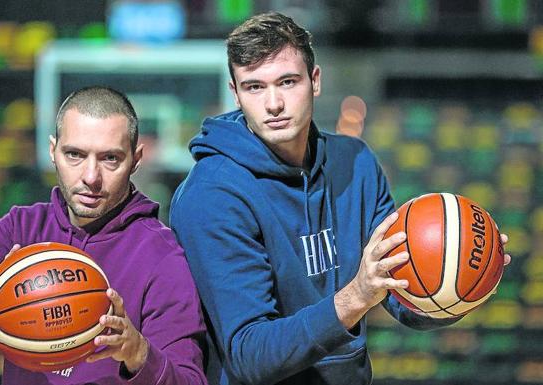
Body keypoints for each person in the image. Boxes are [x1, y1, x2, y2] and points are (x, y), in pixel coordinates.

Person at [169, 12, 511, 385]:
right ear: (235, 93)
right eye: (254, 87)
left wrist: (463, 285)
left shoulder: (357, 163)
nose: (273, 104)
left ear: (315, 81)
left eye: (287, 82)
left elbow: (401, 298)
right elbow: (250, 355)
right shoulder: (212, 195)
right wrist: (355, 297)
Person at [0, 86, 207, 385]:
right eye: (74, 154)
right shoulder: (21, 228)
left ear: (136, 159)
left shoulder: (163, 257)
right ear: (52, 151)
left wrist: (139, 354)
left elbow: (189, 380)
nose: (91, 177)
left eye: (110, 158)